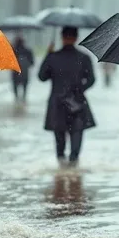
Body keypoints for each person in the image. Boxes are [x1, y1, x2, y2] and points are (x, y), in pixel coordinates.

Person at [38, 26, 96, 166]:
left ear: (61, 37)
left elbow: (42, 77)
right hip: (77, 103)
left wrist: (48, 54)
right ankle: (74, 172)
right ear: (76, 38)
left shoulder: (53, 57)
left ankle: (61, 174)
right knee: (76, 138)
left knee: (60, 143)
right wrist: (79, 89)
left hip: (57, 104)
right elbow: (91, 80)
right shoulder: (84, 58)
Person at [11, 36, 34, 102]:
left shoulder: (13, 50)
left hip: (15, 73)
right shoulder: (28, 51)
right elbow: (32, 63)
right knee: (24, 89)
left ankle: (16, 100)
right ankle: (23, 100)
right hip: (25, 73)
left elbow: (9, 62)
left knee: (16, 90)